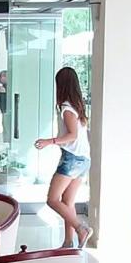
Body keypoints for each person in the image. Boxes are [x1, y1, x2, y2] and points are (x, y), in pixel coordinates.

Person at [35, 67, 92, 249]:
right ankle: (68, 242)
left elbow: (72, 135)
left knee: (52, 199)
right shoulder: (77, 107)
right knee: (68, 202)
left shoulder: (67, 109)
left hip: (72, 159)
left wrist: (49, 141)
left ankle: (81, 229)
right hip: (84, 160)